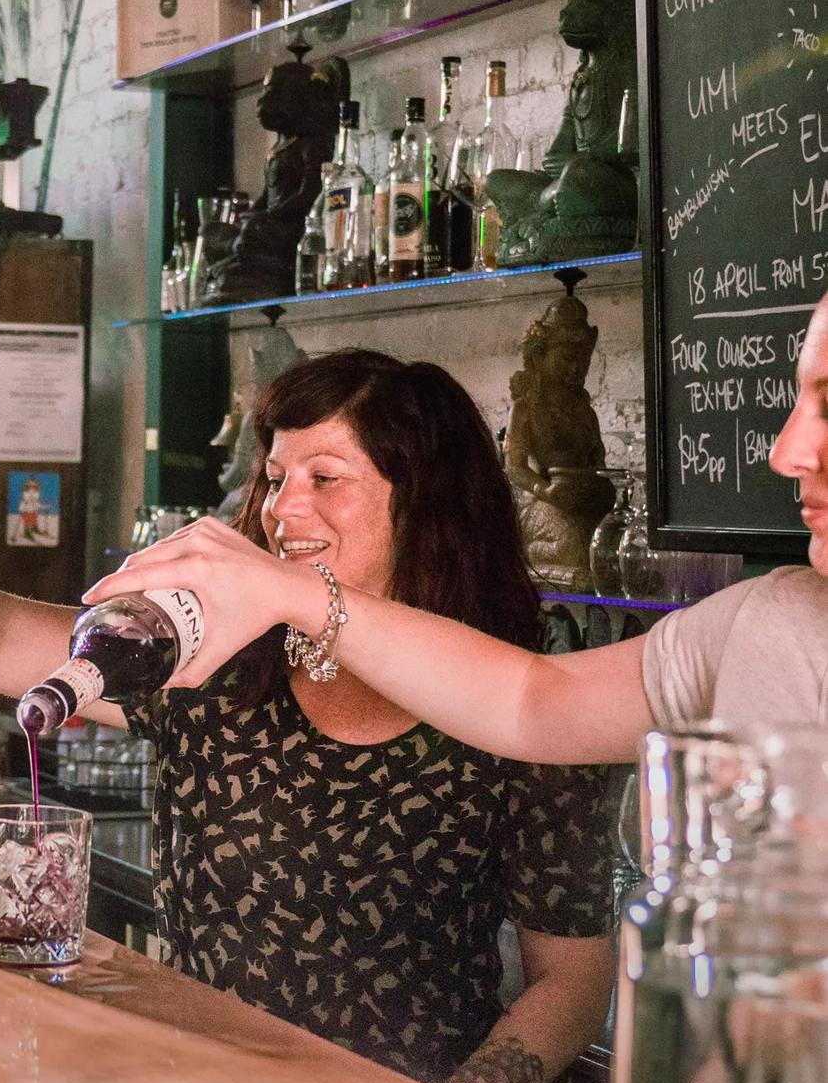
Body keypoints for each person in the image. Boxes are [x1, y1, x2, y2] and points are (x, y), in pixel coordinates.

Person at [0, 350, 615, 1083]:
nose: (280, 509)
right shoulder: (223, 662)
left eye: (325, 479)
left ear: (427, 503)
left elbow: (571, 979)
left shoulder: (506, 698)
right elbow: (0, 632)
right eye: (274, 476)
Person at [84, 294, 828, 766]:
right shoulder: (782, 618)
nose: (785, 452)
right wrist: (295, 596)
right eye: (276, 478)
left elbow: (570, 979)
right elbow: (532, 703)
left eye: (826, 403)